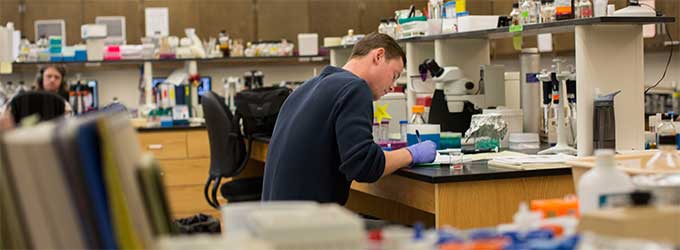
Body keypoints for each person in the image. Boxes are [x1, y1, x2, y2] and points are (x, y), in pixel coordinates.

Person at [262, 33, 437, 205]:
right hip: (307, 224)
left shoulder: (306, 88)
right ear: (378, 56)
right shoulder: (354, 88)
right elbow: (364, 165)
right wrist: (412, 154)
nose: (392, 87)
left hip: (275, 220)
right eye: (394, 75)